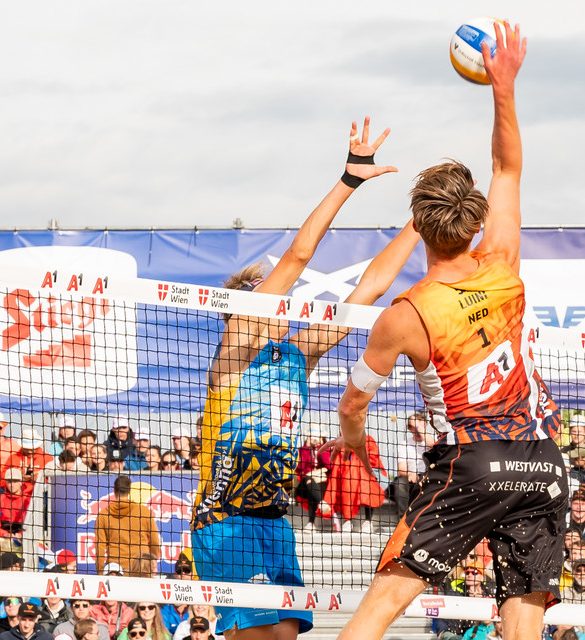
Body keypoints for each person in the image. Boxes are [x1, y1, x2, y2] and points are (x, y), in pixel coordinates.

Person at [327, 25, 565, 640]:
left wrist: (355, 446)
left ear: (419, 226)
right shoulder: (502, 264)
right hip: (541, 460)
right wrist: (503, 86)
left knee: (379, 607)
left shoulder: (406, 314)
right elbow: (507, 166)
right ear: (475, 221)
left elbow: (352, 406)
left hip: (473, 463)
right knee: (523, 623)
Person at [192, 115, 416, 640]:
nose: (283, 303)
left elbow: (371, 288)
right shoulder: (233, 357)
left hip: (274, 519)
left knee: (287, 634)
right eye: (268, 297)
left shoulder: (298, 355)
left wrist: (423, 220)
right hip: (225, 521)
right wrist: (350, 180)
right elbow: (297, 255)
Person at [94, 476, 160, 575]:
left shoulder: (103, 515)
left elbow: (100, 547)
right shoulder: (143, 512)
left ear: (114, 490)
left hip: (116, 570)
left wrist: (100, 572)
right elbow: (154, 541)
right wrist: (151, 564)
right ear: (130, 491)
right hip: (140, 568)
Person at [322, 433, 385, 533]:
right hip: (346, 476)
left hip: (365, 475)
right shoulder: (340, 443)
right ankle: (348, 520)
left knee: (367, 484)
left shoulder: (368, 440)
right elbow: (337, 464)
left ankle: (368, 521)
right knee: (348, 482)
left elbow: (373, 460)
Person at [389, 412, 435, 515]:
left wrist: (421, 430)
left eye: (419, 424)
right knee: (399, 484)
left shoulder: (433, 439)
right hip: (411, 476)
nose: (416, 429)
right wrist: (410, 473)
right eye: (412, 426)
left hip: (430, 474)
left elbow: (433, 446)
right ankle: (404, 516)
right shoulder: (404, 444)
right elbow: (401, 469)